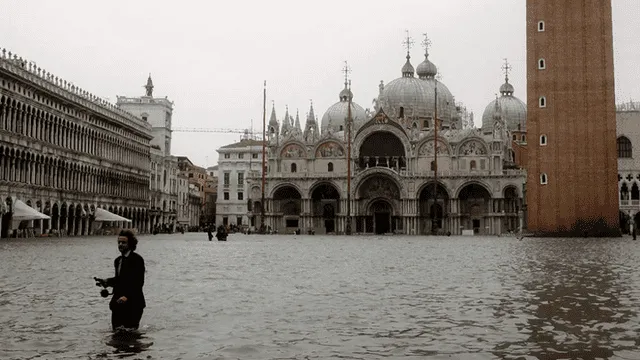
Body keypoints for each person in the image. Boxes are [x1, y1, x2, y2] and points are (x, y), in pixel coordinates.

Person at [96, 230, 146, 331]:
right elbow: (120, 280)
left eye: (124, 242)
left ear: (130, 243)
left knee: (130, 333)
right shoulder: (118, 260)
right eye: (119, 242)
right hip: (118, 303)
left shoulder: (137, 259)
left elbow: (138, 282)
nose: (120, 244)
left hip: (133, 303)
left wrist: (127, 296)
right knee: (116, 332)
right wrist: (106, 282)